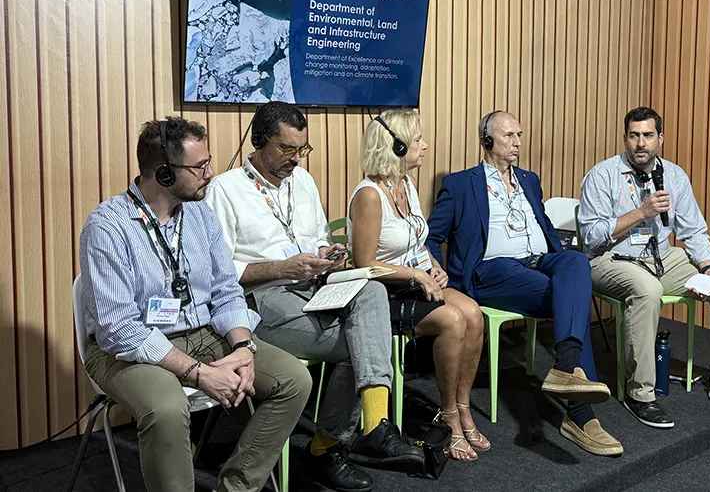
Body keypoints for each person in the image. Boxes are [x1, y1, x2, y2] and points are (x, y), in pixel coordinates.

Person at [78, 117, 310, 492]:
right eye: (200, 166)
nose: (211, 173)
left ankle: (236, 487)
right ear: (165, 174)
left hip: (202, 333)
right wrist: (198, 373)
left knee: (293, 380)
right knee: (168, 409)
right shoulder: (108, 227)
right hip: (125, 350)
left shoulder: (201, 214)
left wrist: (242, 347)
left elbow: (225, 290)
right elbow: (118, 327)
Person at [205, 102, 423, 492]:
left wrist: (329, 254)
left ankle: (374, 424)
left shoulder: (302, 180)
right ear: (258, 141)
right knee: (365, 344)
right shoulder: (225, 190)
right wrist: (282, 267)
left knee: (371, 287)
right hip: (263, 299)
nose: (296, 158)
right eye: (287, 149)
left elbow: (320, 238)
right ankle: (328, 447)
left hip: (315, 285)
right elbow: (218, 273)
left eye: (302, 149)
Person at [425, 111, 623, 457]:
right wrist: (437, 274)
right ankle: (580, 414)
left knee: (576, 263)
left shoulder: (530, 180)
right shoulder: (459, 184)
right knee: (570, 298)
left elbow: (545, 228)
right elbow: (431, 237)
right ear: (487, 141)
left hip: (537, 260)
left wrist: (561, 260)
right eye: (509, 136)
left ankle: (566, 365)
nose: (518, 143)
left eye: (519, 135)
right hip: (491, 270)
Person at [579, 106, 710, 428]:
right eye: (634, 136)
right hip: (610, 258)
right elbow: (591, 237)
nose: (640, 143)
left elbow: (694, 230)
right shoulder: (602, 175)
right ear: (625, 138)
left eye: (647, 136)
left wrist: (708, 264)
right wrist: (640, 213)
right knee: (648, 290)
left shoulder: (673, 175)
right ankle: (640, 393)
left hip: (661, 256)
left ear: (660, 138)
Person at [348, 109, 489, 462]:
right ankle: (449, 418)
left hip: (417, 280)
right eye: (417, 141)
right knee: (453, 321)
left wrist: (434, 266)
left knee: (473, 314)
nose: (425, 146)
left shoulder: (406, 184)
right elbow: (364, 263)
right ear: (394, 146)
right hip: (383, 294)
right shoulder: (369, 194)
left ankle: (463, 405)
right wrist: (415, 275)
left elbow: (416, 243)